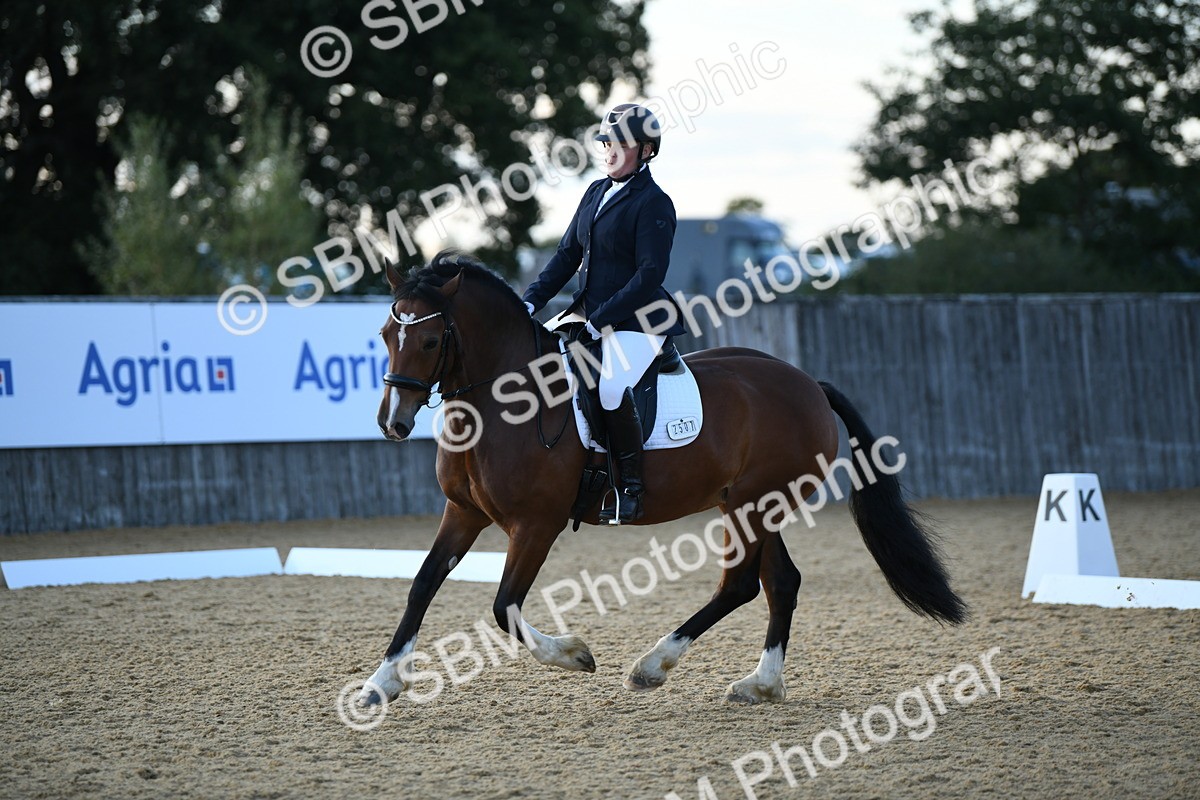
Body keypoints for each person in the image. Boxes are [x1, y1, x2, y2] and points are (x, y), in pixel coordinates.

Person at [522, 103, 686, 524]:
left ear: (646, 150)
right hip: (588, 313)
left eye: (620, 144)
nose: (610, 151)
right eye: (606, 143)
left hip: (640, 319)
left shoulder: (654, 202)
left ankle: (630, 487)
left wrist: (600, 321)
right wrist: (530, 302)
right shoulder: (596, 192)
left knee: (611, 388)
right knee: (537, 363)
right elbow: (567, 255)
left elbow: (649, 275)